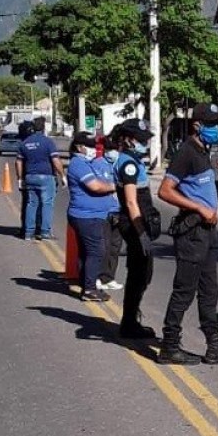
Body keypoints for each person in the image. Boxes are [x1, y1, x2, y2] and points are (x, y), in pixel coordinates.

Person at [156, 102, 218, 366]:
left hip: (208, 232)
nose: (216, 128)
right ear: (197, 125)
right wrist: (199, 208)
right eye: (211, 124)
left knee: (209, 291)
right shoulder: (186, 152)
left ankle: (214, 346)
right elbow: (164, 191)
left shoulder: (203, 150)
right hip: (192, 231)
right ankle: (169, 346)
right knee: (184, 290)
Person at [110, 118, 160, 339]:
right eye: (140, 140)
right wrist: (141, 234)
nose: (144, 143)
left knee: (142, 273)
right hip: (133, 225)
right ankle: (129, 322)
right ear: (129, 140)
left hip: (136, 223)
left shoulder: (132, 160)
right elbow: (131, 202)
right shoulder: (128, 164)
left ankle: (130, 319)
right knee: (139, 274)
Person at [66, 132, 118, 301]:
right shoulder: (78, 164)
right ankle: (89, 289)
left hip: (89, 215)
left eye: (94, 146)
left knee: (86, 252)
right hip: (87, 216)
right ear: (79, 147)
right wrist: (116, 186)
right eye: (89, 146)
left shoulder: (86, 163)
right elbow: (95, 186)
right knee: (97, 252)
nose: (93, 150)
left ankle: (85, 284)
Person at [15, 115, 66, 241]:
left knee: (31, 204)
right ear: (43, 128)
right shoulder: (48, 142)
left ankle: (28, 232)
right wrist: (63, 175)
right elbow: (55, 160)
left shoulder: (25, 143)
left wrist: (20, 179)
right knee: (47, 204)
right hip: (46, 177)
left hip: (30, 177)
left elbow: (18, 162)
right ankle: (45, 232)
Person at [96, 134, 124, 293]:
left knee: (115, 247)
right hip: (104, 212)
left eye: (116, 149)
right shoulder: (98, 164)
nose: (113, 152)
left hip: (119, 211)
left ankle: (108, 277)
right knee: (103, 247)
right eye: (110, 149)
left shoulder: (122, 164)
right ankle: (97, 277)